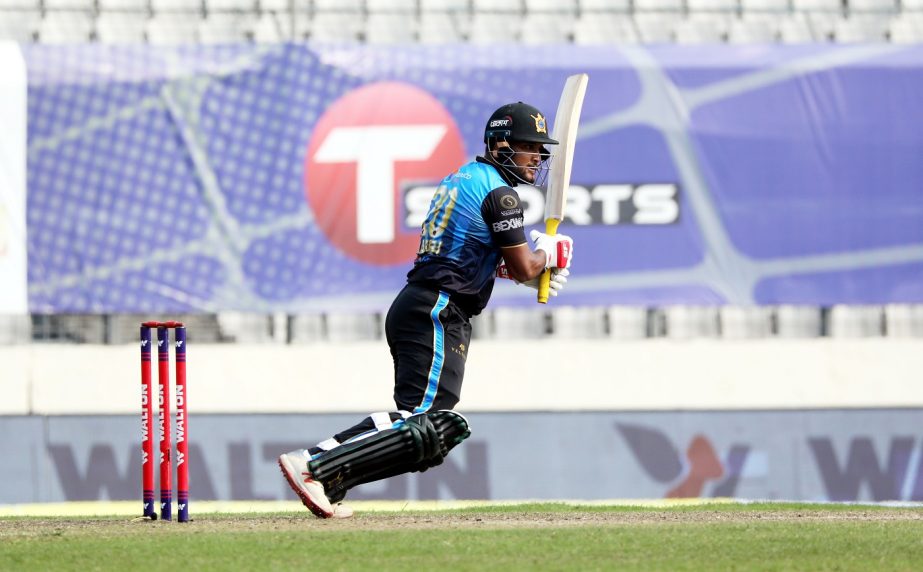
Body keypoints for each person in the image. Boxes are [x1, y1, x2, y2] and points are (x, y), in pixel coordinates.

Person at [278, 101, 574, 519]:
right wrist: (548, 255)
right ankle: (312, 463)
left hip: (422, 304)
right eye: (530, 147)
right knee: (424, 422)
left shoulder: (465, 179)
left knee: (429, 435)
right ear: (501, 143)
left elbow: (475, 257)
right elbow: (525, 263)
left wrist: (523, 269)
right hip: (436, 309)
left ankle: (330, 479)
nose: (539, 158)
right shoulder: (501, 195)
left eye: (542, 150)